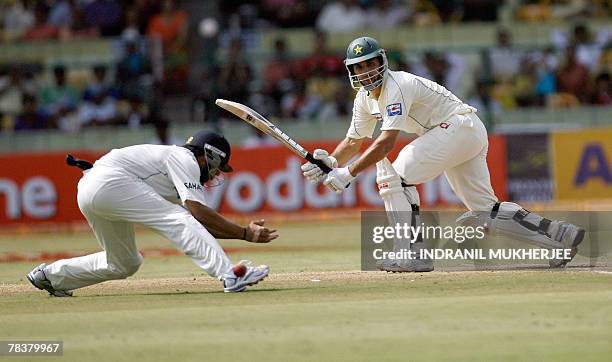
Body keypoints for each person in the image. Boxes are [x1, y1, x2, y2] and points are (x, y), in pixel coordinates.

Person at [301, 36, 585, 272]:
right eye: (359, 66)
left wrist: (348, 173)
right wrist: (333, 160)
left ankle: (412, 254)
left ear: (382, 61)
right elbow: (354, 140)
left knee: (394, 175)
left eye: (371, 63)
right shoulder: (364, 99)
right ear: (352, 71)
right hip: (463, 131)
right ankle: (559, 234)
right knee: (485, 210)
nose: (367, 71)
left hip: (458, 127)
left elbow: (385, 142)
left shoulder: (396, 85)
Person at [27, 130, 278, 296]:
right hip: (109, 183)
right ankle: (229, 275)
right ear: (210, 155)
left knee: (124, 263)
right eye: (218, 168)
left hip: (90, 188)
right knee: (178, 219)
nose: (216, 175)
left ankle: (52, 277)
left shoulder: (178, 168)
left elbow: (198, 226)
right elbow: (196, 216)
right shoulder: (184, 158)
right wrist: (245, 233)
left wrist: (246, 234)